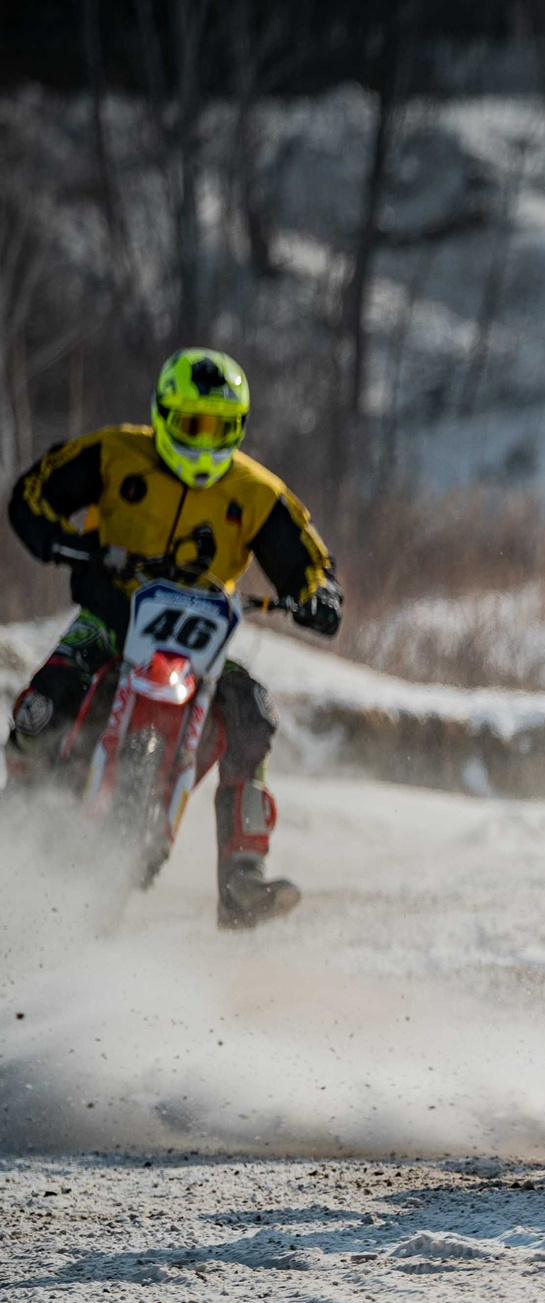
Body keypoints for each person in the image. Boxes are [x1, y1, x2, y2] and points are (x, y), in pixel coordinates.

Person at [6, 348, 341, 928]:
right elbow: (31, 496)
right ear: (162, 414)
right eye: (192, 425)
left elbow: (312, 565)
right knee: (45, 700)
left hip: (199, 643)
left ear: (240, 429)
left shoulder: (257, 491)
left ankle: (242, 878)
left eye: (220, 429)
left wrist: (318, 597)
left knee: (252, 713)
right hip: (110, 618)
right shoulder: (114, 452)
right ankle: (18, 809)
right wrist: (66, 543)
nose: (204, 443)